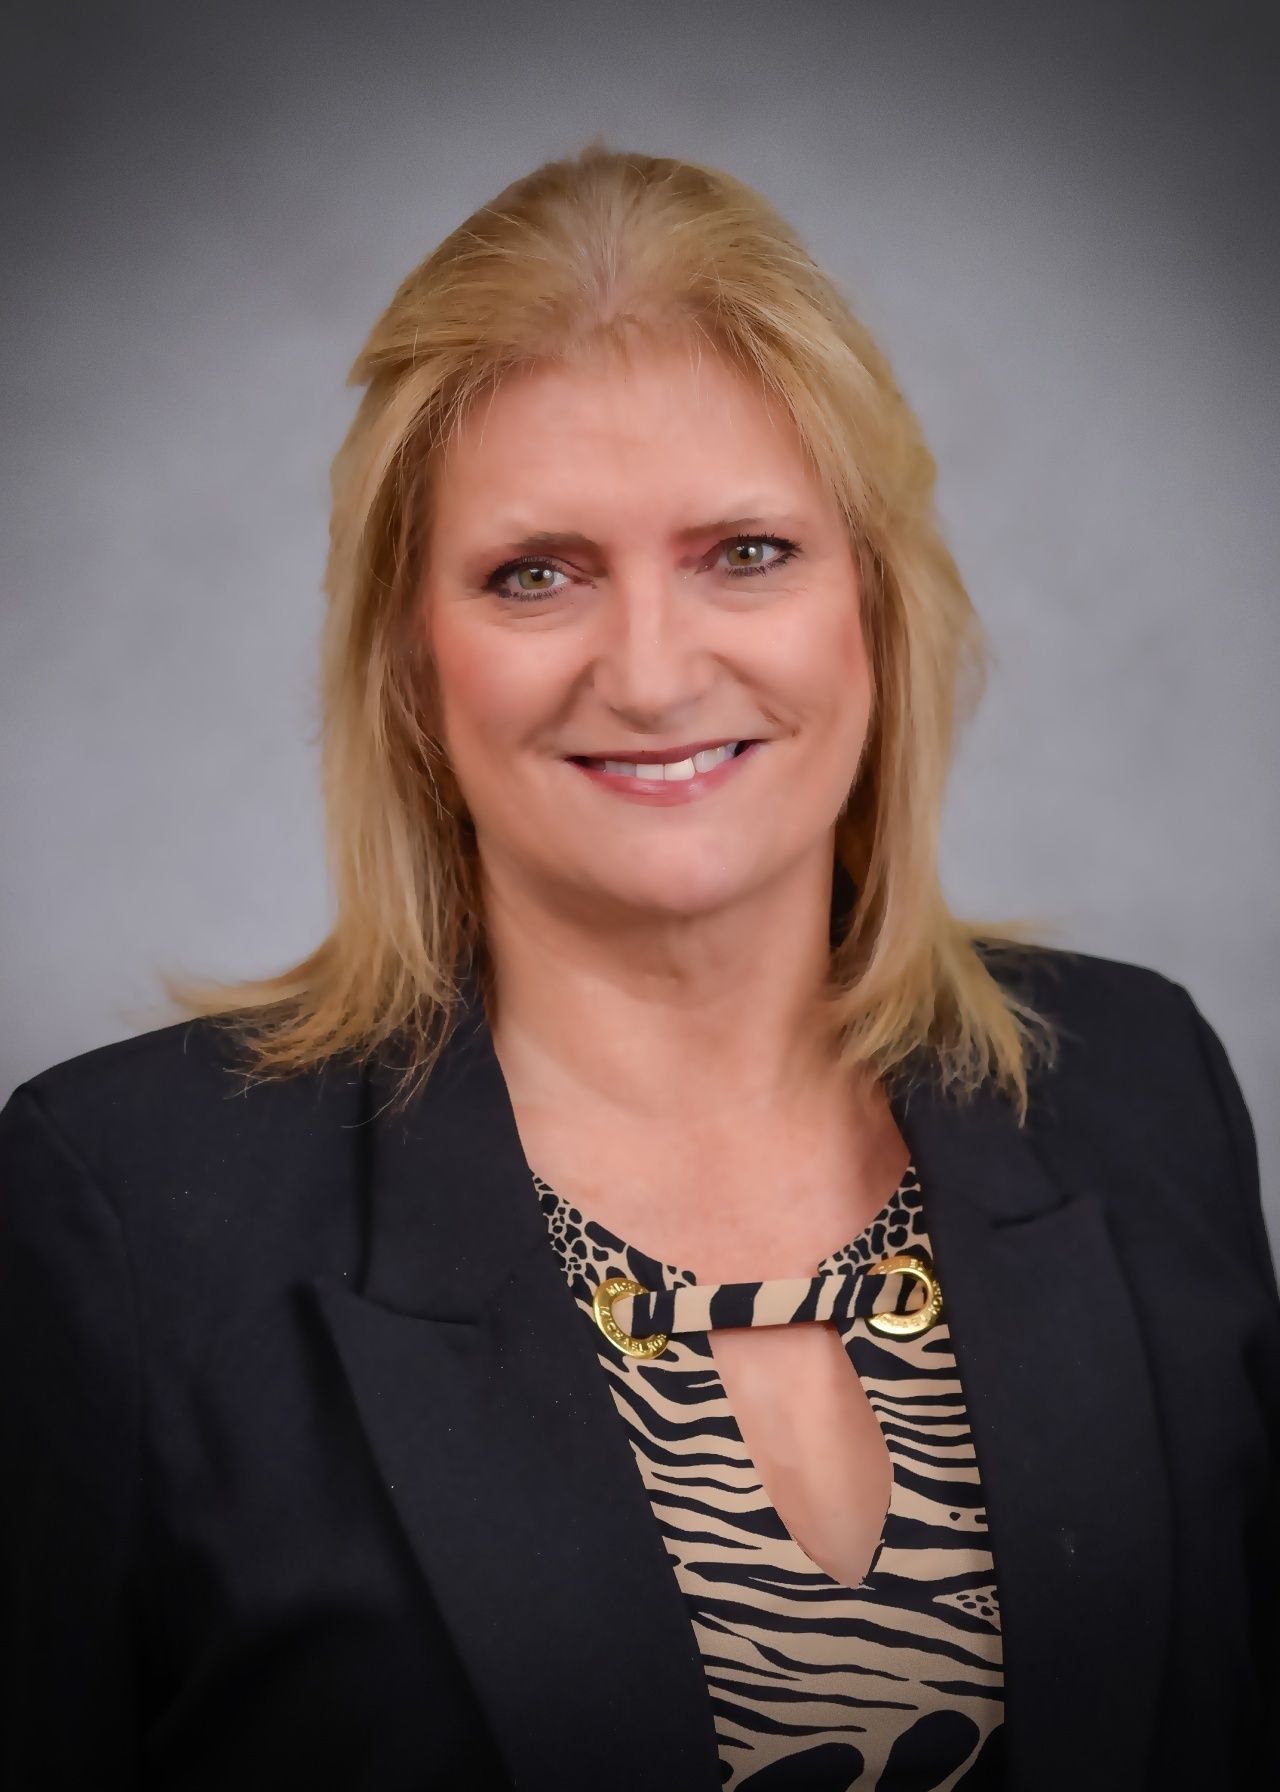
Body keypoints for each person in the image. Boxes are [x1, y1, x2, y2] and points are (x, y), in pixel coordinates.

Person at [1, 140, 1276, 1792]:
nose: (656, 674)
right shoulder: (121, 1216)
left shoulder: (1141, 1089)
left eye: (745, 552)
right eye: (536, 574)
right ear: (411, 662)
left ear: (874, 606)